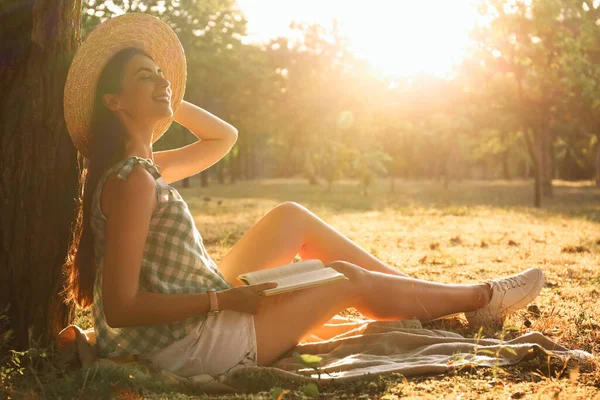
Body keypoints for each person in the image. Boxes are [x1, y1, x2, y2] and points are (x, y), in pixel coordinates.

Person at [62, 13, 545, 379]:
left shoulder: (145, 169)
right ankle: (481, 297)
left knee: (290, 217)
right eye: (144, 77)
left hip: (192, 307)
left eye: (159, 74)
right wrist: (221, 300)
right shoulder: (135, 182)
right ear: (113, 102)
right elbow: (123, 307)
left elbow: (224, 138)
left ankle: (420, 296)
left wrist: (167, 91)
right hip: (186, 344)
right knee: (347, 279)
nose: (160, 80)